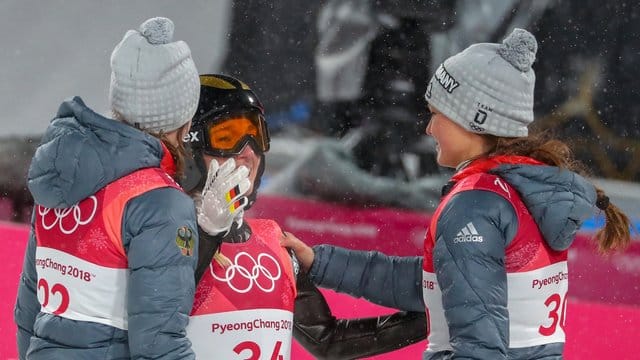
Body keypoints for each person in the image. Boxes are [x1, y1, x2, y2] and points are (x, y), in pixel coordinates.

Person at [282, 28, 632, 359]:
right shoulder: (523, 189)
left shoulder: (474, 205)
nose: (428, 128)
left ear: (477, 120)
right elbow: (440, 286)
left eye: (438, 115)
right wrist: (320, 262)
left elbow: (480, 344)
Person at [181, 73, 427, 359]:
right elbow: (158, 308)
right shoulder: (156, 229)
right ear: (190, 148)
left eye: (256, 134)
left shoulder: (272, 241)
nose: (248, 152)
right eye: (227, 137)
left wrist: (434, 316)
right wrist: (207, 233)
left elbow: (327, 341)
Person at [13, 17, 201, 359]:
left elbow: (29, 312)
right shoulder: (159, 202)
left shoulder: (62, 177)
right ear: (183, 120)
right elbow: (159, 344)